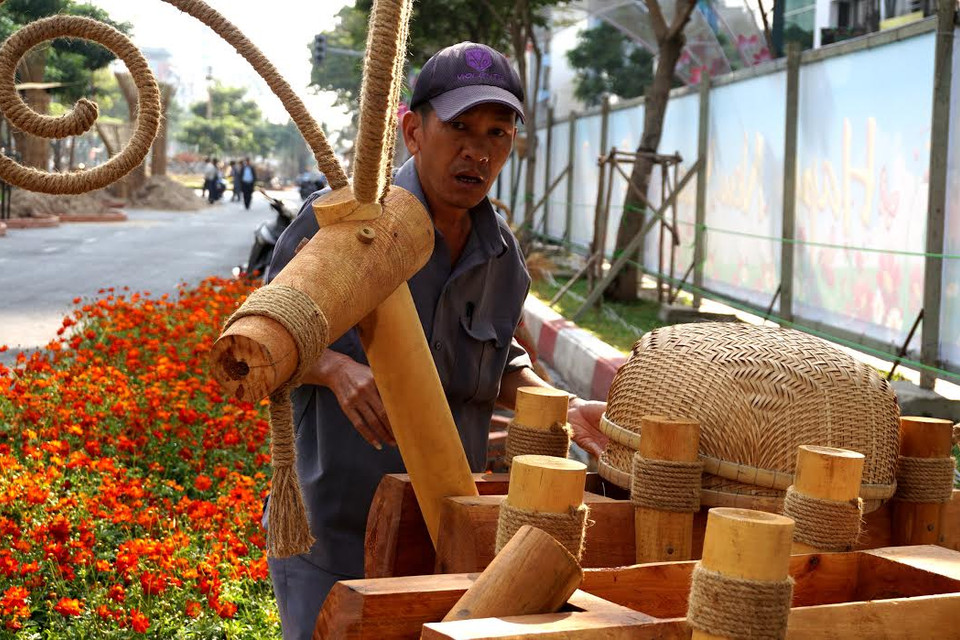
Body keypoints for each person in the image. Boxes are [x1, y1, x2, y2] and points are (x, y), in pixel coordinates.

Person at [263, 41, 608, 640]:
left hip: (443, 533)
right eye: (459, 127)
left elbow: (500, 361)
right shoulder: (345, 228)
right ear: (412, 130)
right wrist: (338, 372)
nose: (477, 151)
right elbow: (261, 340)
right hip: (333, 536)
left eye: (497, 134)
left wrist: (568, 407)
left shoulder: (501, 257)